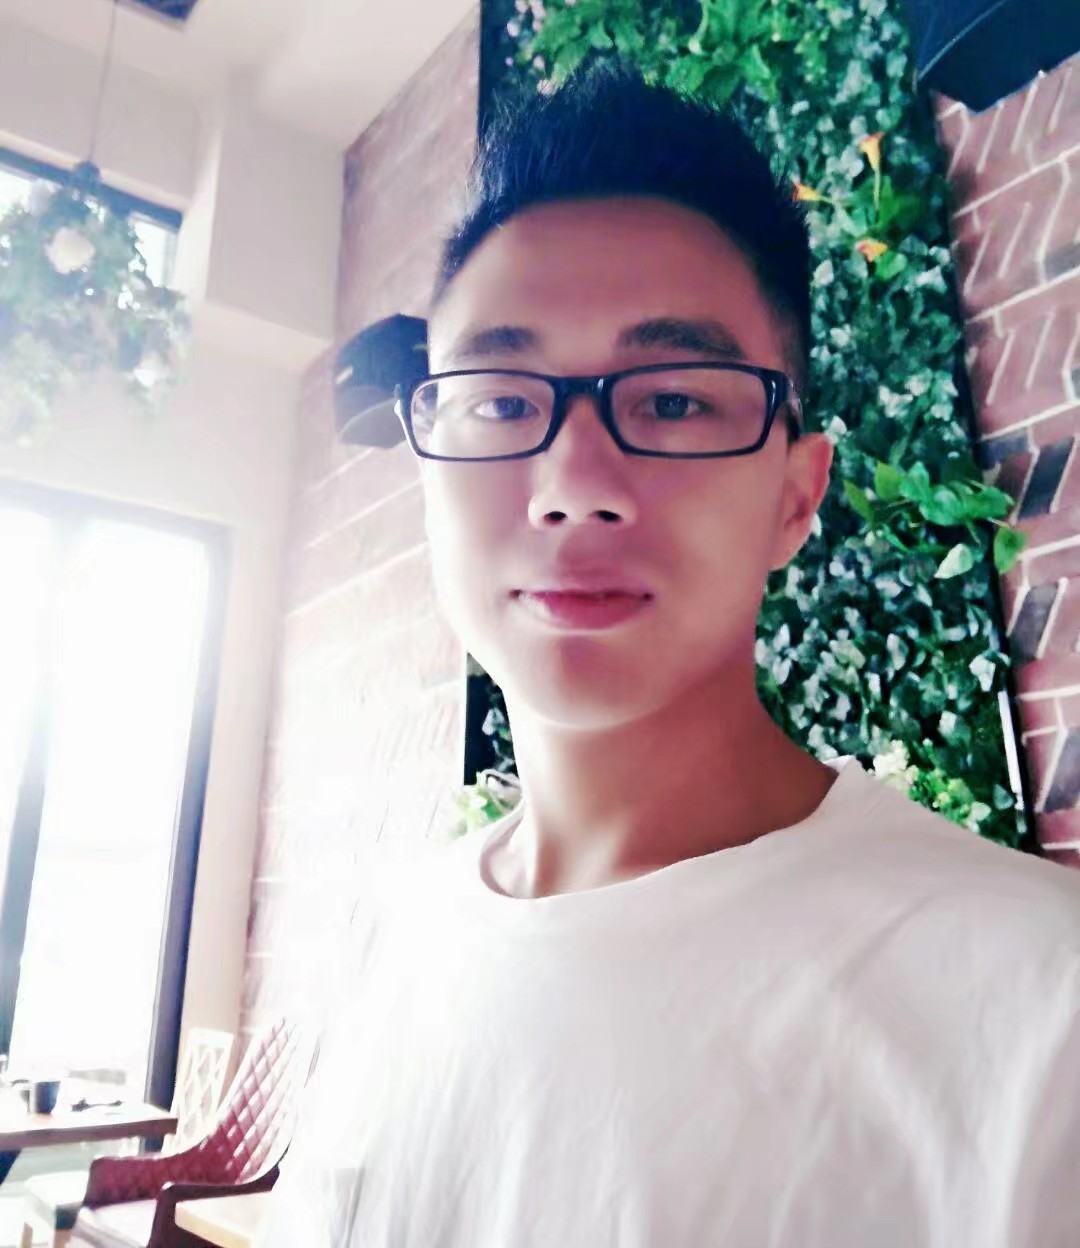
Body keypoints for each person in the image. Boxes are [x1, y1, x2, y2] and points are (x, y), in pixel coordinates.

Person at [258, 64, 1080, 1248]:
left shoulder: (1035, 1012)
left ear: (796, 495)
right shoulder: (401, 942)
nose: (575, 486)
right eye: (500, 401)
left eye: (676, 402)